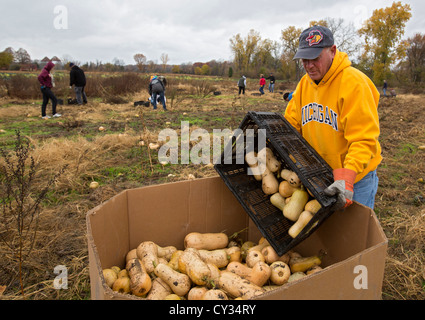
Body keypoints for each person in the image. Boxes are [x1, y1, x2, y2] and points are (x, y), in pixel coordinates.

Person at [284, 25, 382, 210]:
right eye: (304, 59)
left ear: (332, 51)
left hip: (355, 178)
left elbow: (363, 138)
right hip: (319, 176)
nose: (309, 65)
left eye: (315, 58)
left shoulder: (353, 83)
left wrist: (347, 177)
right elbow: (291, 124)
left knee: (353, 235)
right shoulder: (304, 84)